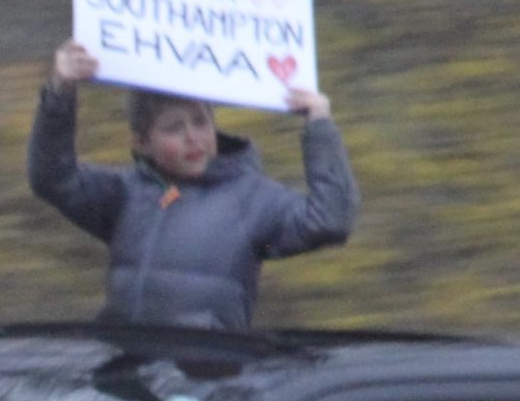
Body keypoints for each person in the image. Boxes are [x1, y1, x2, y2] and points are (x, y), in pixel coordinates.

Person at [27, 40, 357, 330]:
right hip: (127, 375)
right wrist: (60, 91)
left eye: (201, 122)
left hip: (204, 380)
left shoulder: (252, 198)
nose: (192, 138)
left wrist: (319, 125)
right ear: (142, 143)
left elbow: (330, 218)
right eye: (174, 128)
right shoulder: (124, 193)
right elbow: (52, 178)